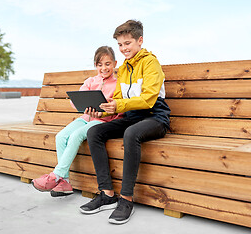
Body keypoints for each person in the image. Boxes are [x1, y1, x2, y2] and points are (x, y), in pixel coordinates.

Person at [79, 20, 171, 224]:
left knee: (131, 134)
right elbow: (117, 100)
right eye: (120, 45)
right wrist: (99, 113)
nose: (123, 49)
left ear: (140, 40)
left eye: (127, 43)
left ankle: (127, 199)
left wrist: (119, 106)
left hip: (155, 117)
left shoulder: (151, 63)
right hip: (132, 117)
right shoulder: (125, 69)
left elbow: (148, 99)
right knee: (94, 132)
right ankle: (107, 194)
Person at [31, 46, 122, 197]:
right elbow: (75, 102)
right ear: (95, 66)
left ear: (114, 63)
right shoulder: (90, 81)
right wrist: (84, 105)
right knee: (61, 136)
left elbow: (119, 106)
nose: (104, 68)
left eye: (107, 64)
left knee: (76, 136)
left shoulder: (118, 83)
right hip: (86, 118)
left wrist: (108, 106)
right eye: (100, 65)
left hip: (104, 121)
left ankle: (56, 175)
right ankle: (64, 182)